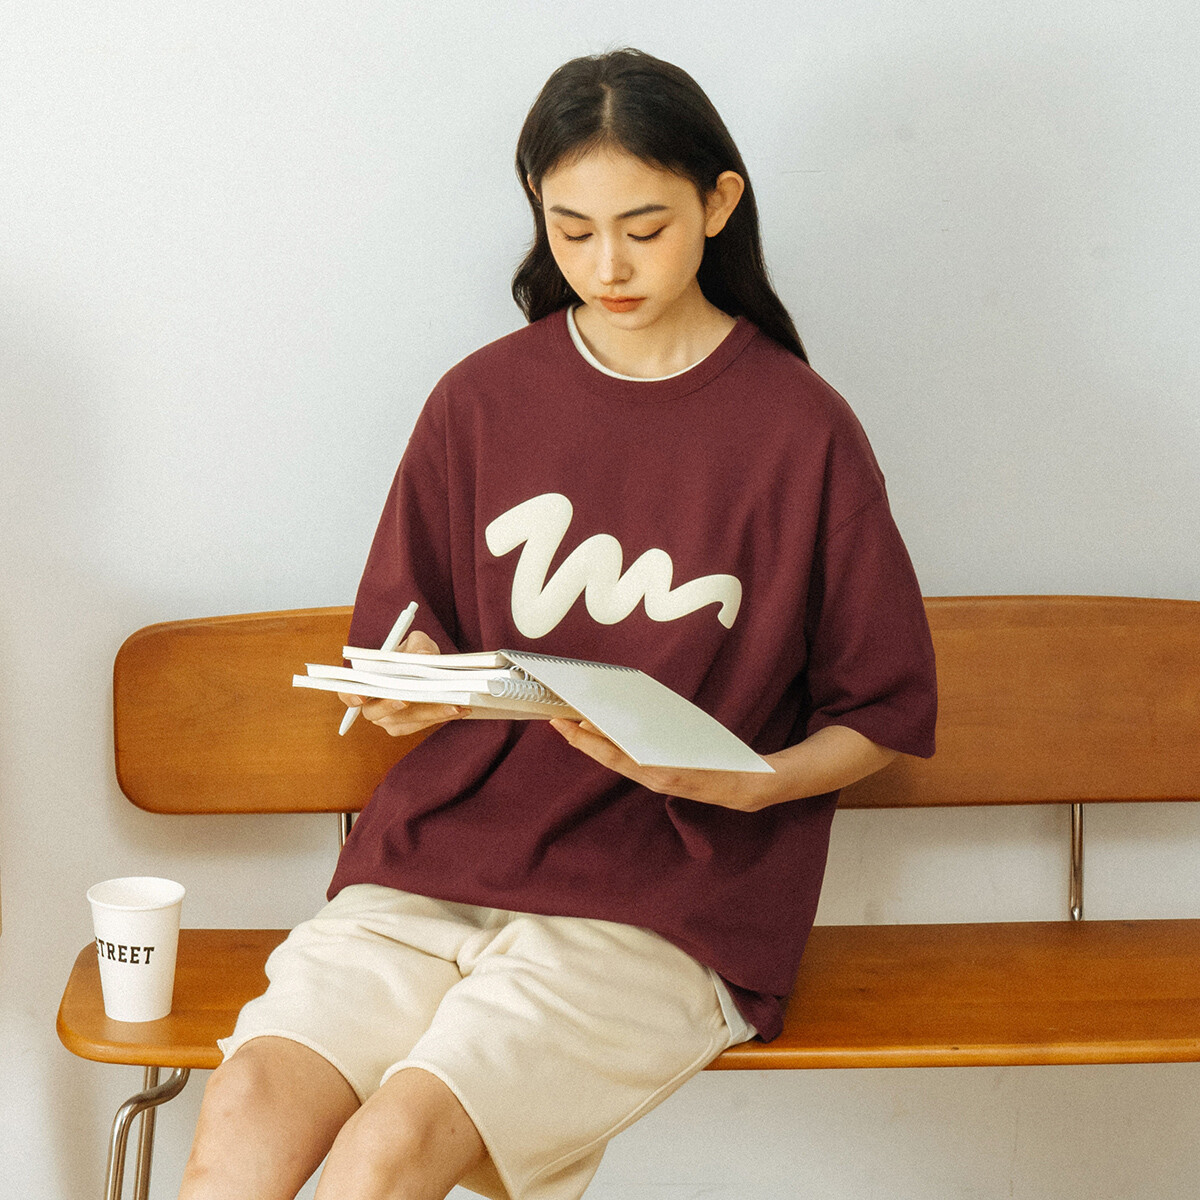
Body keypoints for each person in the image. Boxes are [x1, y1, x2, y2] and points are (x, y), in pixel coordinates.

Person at [179, 47, 936, 1200]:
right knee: (245, 1103)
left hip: (670, 894)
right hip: (438, 860)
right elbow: (406, 629)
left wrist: (757, 785)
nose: (606, 265)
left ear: (718, 204)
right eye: (572, 230)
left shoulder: (800, 431)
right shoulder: (480, 401)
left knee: (388, 1149)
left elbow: (882, 705)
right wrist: (409, 680)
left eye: (644, 227)